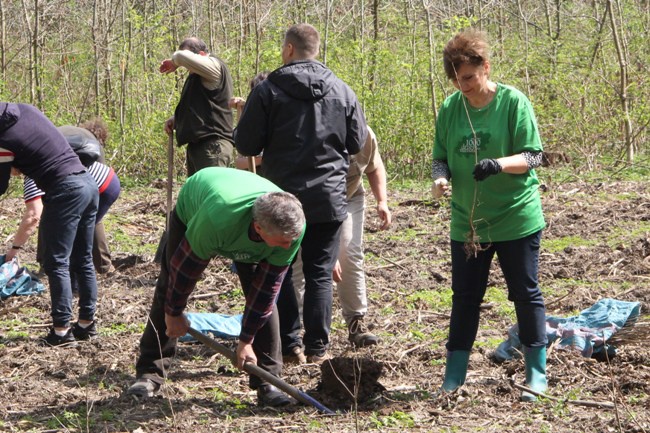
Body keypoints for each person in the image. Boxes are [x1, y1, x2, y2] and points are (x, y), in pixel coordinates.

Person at [235, 23, 368, 363]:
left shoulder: (267, 91)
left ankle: (291, 344)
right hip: (328, 199)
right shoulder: (342, 90)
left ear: (289, 49)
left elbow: (246, 144)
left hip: (282, 200)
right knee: (320, 272)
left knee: (278, 268)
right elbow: (356, 143)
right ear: (316, 49)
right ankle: (318, 348)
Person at [431, 29, 548, 402]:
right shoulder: (451, 109)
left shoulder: (513, 103)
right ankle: (454, 376)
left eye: (468, 77)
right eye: (455, 80)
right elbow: (439, 159)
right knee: (465, 296)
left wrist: (498, 164)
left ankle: (536, 373)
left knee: (525, 294)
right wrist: (440, 180)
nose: (462, 86)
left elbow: (533, 157)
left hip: (515, 217)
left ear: (485, 67)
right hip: (468, 223)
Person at [127, 167, 305, 408]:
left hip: (245, 226)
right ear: (259, 228)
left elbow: (265, 291)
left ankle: (268, 382)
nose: (288, 247)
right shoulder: (216, 219)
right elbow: (184, 273)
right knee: (168, 288)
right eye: (283, 242)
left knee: (266, 301)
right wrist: (174, 314)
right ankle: (150, 373)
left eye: (291, 241)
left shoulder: (292, 230)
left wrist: (246, 341)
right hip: (199, 206)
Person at [0, 102, 99, 347]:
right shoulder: (25, 110)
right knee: (83, 258)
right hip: (87, 183)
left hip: (65, 189)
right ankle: (86, 324)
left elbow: (0, 186)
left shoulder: (2, 137)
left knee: (56, 262)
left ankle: (61, 331)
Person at [292, 126, 391, 348]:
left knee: (350, 252)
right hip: (308, 198)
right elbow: (315, 194)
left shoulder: (366, 135)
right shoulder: (318, 134)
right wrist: (327, 251)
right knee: (299, 258)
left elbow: (374, 167)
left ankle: (356, 323)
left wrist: (382, 201)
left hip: (350, 195)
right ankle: (293, 331)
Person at [35, 122, 119, 275]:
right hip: (67, 179)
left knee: (48, 216)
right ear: (101, 137)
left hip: (57, 177)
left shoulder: (70, 131)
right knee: (92, 219)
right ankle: (104, 266)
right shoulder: (93, 142)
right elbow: (99, 175)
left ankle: (45, 264)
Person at [160, 37, 234, 175]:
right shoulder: (197, 76)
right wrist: (177, 119)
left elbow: (181, 56)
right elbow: (201, 106)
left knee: (210, 195)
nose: (186, 65)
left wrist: (175, 62)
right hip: (199, 147)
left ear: (200, 55)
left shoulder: (214, 66)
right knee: (198, 196)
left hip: (213, 146)